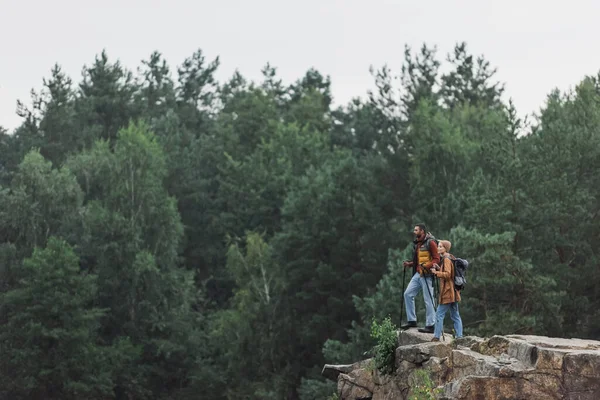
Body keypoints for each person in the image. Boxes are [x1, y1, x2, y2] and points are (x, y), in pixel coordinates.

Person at [401, 224, 440, 333]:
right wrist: (410, 264)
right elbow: (419, 261)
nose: (414, 232)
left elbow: (436, 259)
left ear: (422, 231)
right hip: (418, 273)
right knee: (408, 294)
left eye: (416, 230)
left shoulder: (430, 242)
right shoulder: (418, 243)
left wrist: (426, 266)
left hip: (427, 275)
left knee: (428, 300)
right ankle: (412, 320)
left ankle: (430, 325)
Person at [430, 240, 463, 341]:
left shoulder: (446, 259)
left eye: (440, 246)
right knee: (455, 315)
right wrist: (439, 269)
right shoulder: (449, 258)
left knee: (439, 314)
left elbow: (448, 274)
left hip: (448, 292)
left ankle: (436, 336)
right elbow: (448, 272)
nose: (438, 248)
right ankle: (459, 336)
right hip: (453, 292)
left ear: (445, 248)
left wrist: (436, 273)